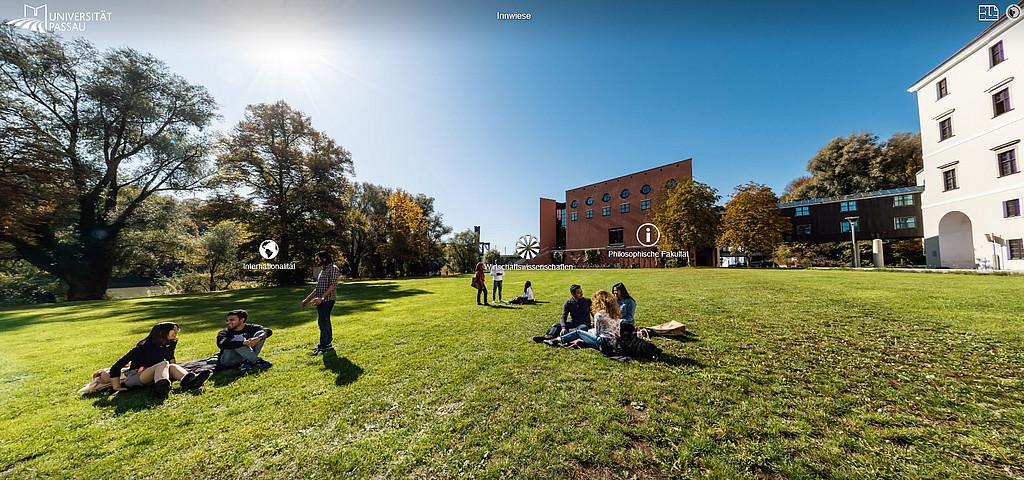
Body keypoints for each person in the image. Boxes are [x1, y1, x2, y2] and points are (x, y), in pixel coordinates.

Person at [109, 322, 210, 398]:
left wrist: (175, 370)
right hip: (137, 376)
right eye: (174, 330)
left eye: (177, 331)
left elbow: (170, 356)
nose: (176, 333)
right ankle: (161, 388)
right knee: (164, 363)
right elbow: (117, 366)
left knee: (171, 366)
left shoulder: (170, 342)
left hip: (157, 372)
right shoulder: (143, 347)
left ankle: (191, 381)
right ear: (163, 332)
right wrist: (117, 387)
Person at [545, 290, 622, 348]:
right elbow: (617, 333)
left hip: (603, 343)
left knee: (579, 332)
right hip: (615, 343)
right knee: (586, 333)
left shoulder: (599, 315)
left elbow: (597, 334)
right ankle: (578, 342)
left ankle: (556, 340)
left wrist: (590, 332)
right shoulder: (616, 314)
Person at [302, 251, 341, 356]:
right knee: (324, 321)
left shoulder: (333, 268)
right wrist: (307, 299)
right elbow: (317, 289)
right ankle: (327, 343)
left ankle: (323, 347)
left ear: (324, 258)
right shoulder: (323, 270)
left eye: (318, 259)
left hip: (328, 300)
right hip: (321, 300)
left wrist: (322, 298)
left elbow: (332, 286)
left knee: (323, 322)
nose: (316, 261)